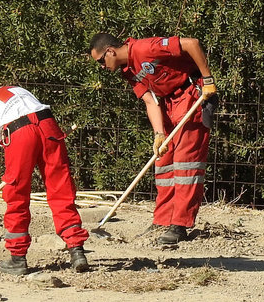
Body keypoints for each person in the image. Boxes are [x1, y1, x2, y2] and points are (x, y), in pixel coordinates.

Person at [89, 33, 219, 245]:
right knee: (164, 161)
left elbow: (191, 43)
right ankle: (163, 220)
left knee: (186, 164)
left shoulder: (145, 48)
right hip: (168, 105)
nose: (102, 67)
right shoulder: (128, 71)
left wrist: (208, 80)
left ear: (110, 51)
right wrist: (159, 134)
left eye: (101, 61)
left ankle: (180, 224)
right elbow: (150, 102)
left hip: (190, 95)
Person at [0, 79, 90, 275]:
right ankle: (77, 251)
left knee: (16, 193)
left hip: (19, 132)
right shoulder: (12, 89)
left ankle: (17, 259)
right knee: (61, 188)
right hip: (47, 123)